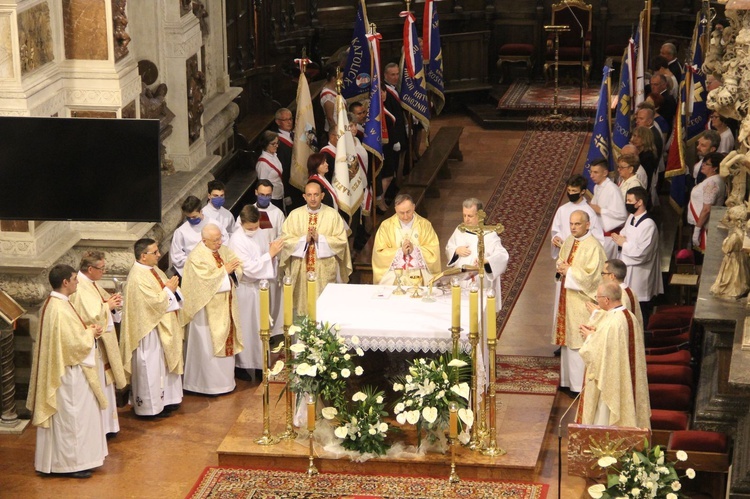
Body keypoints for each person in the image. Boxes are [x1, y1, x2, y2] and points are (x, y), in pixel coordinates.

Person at [28, 264, 107, 478]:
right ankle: (71, 464)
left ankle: (68, 461)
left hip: (68, 369)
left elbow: (71, 336)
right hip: (68, 374)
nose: (77, 281)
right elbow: (73, 344)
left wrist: (89, 331)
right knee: (72, 418)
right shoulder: (59, 308)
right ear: (65, 282)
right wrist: (89, 333)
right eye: (74, 278)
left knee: (73, 417)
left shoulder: (58, 304)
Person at [120, 239, 184, 417]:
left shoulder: (153, 269)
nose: (159, 255)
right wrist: (169, 290)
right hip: (147, 331)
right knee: (151, 369)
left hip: (161, 326)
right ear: (143, 256)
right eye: (155, 252)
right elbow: (152, 303)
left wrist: (172, 289)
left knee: (163, 367)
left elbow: (164, 292)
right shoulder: (138, 276)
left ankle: (167, 401)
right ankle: (149, 408)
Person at [577, 281, 651, 428]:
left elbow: (601, 353)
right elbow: (613, 346)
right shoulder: (628, 316)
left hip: (612, 382)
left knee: (604, 420)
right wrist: (595, 334)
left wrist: (590, 337)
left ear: (606, 299)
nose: (596, 300)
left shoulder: (613, 323)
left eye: (597, 297)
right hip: (625, 377)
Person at [181, 224, 244, 395]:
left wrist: (233, 270)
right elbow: (203, 283)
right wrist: (225, 270)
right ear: (204, 240)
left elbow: (237, 265)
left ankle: (226, 383)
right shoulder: (196, 257)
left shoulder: (222, 250)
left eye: (220, 238)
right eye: (215, 240)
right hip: (205, 312)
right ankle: (205, 386)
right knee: (207, 347)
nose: (220, 242)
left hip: (225, 306)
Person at [70, 251, 126, 437]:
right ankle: (100, 428)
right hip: (88, 346)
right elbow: (89, 316)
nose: (104, 271)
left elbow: (101, 305)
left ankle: (108, 425)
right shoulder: (79, 287)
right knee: (98, 385)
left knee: (105, 384)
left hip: (100, 343)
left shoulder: (91, 284)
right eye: (102, 268)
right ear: (90, 269)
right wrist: (107, 307)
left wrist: (113, 304)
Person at [279, 180, 352, 316]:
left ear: (322, 196)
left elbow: (341, 242)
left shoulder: (333, 215)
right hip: (300, 269)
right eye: (309, 195)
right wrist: (303, 240)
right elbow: (285, 241)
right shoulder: (295, 215)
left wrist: (320, 239)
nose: (312, 198)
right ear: (304, 196)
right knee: (302, 310)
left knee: (324, 310)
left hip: (324, 270)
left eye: (316, 195)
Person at [553, 210, 607, 395]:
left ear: (587, 224)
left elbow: (593, 278)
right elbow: (562, 259)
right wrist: (561, 267)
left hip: (582, 302)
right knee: (568, 342)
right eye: (571, 224)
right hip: (567, 299)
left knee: (578, 343)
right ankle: (568, 381)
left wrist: (570, 271)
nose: (573, 227)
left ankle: (579, 387)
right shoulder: (570, 240)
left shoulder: (594, 247)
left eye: (577, 224)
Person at [229, 205, 284, 377]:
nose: (253, 230)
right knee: (247, 328)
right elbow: (249, 268)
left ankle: (261, 363)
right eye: (249, 228)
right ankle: (243, 366)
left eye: (255, 226)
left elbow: (264, 254)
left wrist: (271, 254)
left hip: (259, 288)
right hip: (245, 290)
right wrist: (270, 255)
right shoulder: (237, 239)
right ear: (242, 223)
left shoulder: (260, 232)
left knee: (260, 327)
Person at [445, 198, 509, 311]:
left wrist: (486, 261)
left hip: (481, 283)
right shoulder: (460, 231)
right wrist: (456, 251)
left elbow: (502, 255)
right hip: (462, 282)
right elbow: (449, 247)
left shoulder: (489, 234)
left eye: (470, 216)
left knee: (480, 315)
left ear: (479, 216)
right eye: (464, 215)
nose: (466, 219)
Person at [612, 187, 663, 322]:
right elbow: (624, 233)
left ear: (639, 202)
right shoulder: (631, 218)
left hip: (641, 276)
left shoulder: (649, 225)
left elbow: (642, 253)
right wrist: (620, 238)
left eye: (630, 200)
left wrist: (624, 243)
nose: (627, 203)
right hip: (627, 271)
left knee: (640, 312)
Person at [372, 193, 441, 285]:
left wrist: (416, 250)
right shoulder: (386, 226)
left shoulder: (425, 225)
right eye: (401, 213)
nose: (405, 216)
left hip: (419, 273)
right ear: (395, 209)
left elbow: (433, 251)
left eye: (408, 212)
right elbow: (379, 253)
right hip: (395, 275)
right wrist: (400, 252)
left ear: (413, 207)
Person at [171, 195, 228, 277]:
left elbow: (225, 244)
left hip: (216, 267)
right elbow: (177, 257)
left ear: (201, 211)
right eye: (188, 217)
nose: (191, 219)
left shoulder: (215, 224)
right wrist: (196, 261)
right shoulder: (181, 232)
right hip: (195, 272)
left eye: (194, 217)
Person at [551, 174, 604, 260]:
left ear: (582, 191)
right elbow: (557, 230)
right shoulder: (562, 209)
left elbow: (598, 238)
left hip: (582, 257)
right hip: (564, 254)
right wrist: (556, 237)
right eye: (569, 190)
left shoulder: (589, 212)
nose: (570, 193)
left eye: (574, 191)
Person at [588, 160, 628, 259]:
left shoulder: (612, 189)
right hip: (598, 234)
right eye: (591, 172)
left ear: (605, 173)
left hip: (609, 238)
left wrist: (601, 211)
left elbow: (622, 215)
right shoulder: (597, 187)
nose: (591, 176)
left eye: (595, 172)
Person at [687, 152, 726, 252]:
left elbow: (706, 209)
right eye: (704, 162)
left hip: (704, 226)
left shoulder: (711, 183)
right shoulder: (712, 180)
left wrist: (697, 230)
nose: (703, 165)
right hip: (701, 223)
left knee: (700, 259)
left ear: (715, 168)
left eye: (707, 164)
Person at [589, 258, 644, 328]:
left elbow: (616, 322)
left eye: (603, 273)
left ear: (612, 276)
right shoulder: (631, 291)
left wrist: (596, 313)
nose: (602, 277)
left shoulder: (617, 295)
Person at [255, 130, 286, 213]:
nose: (276, 146)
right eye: (273, 144)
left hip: (279, 195)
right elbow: (262, 184)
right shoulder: (263, 163)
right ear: (265, 144)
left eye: (277, 143)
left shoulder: (274, 156)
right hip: (272, 198)